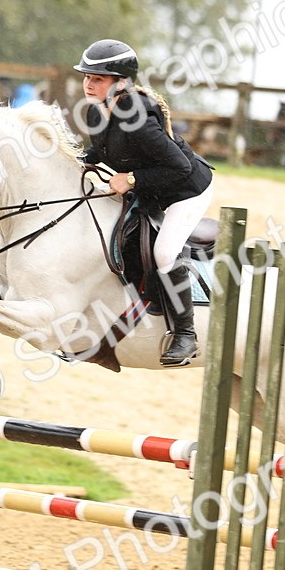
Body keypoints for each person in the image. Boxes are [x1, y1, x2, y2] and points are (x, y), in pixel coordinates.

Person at [75, 38, 214, 366]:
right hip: (154, 190)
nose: (88, 83)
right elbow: (100, 152)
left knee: (164, 252)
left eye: (98, 78)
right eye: (86, 76)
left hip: (186, 191)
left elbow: (178, 167)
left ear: (119, 82)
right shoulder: (99, 113)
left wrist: (132, 179)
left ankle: (185, 335)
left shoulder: (134, 113)